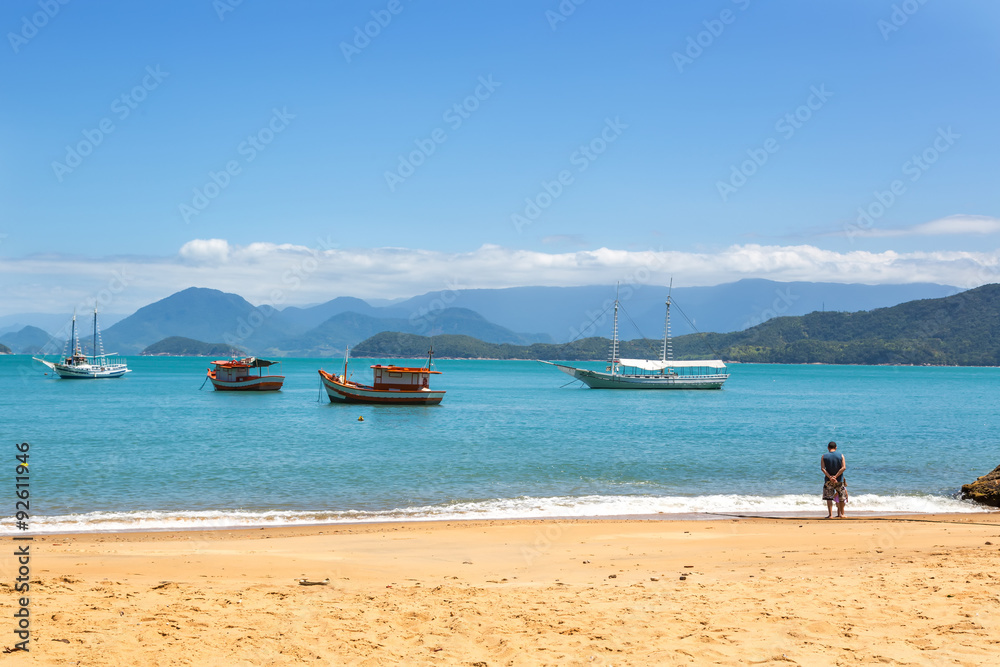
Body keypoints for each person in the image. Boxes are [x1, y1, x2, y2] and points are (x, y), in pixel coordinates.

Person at [821, 441, 847, 518]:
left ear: (828, 448)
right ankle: (842, 514)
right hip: (839, 479)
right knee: (841, 497)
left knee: (829, 498)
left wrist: (830, 477)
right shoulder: (841, 455)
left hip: (828, 480)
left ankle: (830, 515)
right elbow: (843, 467)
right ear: (835, 448)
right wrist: (835, 476)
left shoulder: (824, 456)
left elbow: (823, 468)